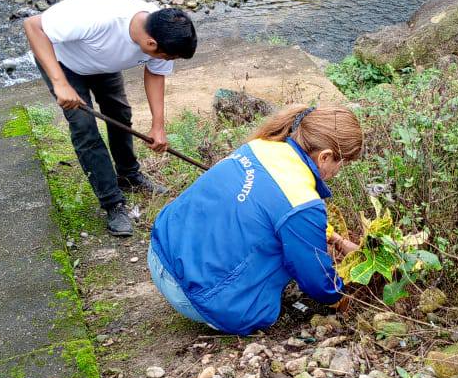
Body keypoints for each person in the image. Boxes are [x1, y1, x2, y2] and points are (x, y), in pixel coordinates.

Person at [148, 104, 363, 335]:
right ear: (325, 157)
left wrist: (337, 240)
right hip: (196, 296)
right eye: (343, 163)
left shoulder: (262, 146)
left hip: (160, 252)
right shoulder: (301, 201)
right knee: (288, 258)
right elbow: (317, 281)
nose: (339, 171)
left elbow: (279, 208)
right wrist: (345, 294)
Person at [23, 0, 198, 236]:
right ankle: (112, 203)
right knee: (84, 127)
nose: (167, 60)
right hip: (64, 62)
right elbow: (33, 25)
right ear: (150, 44)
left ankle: (128, 175)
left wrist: (158, 126)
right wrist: (60, 82)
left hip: (102, 63)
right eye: (167, 56)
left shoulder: (162, 32)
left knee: (119, 113)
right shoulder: (97, 19)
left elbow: (156, 73)